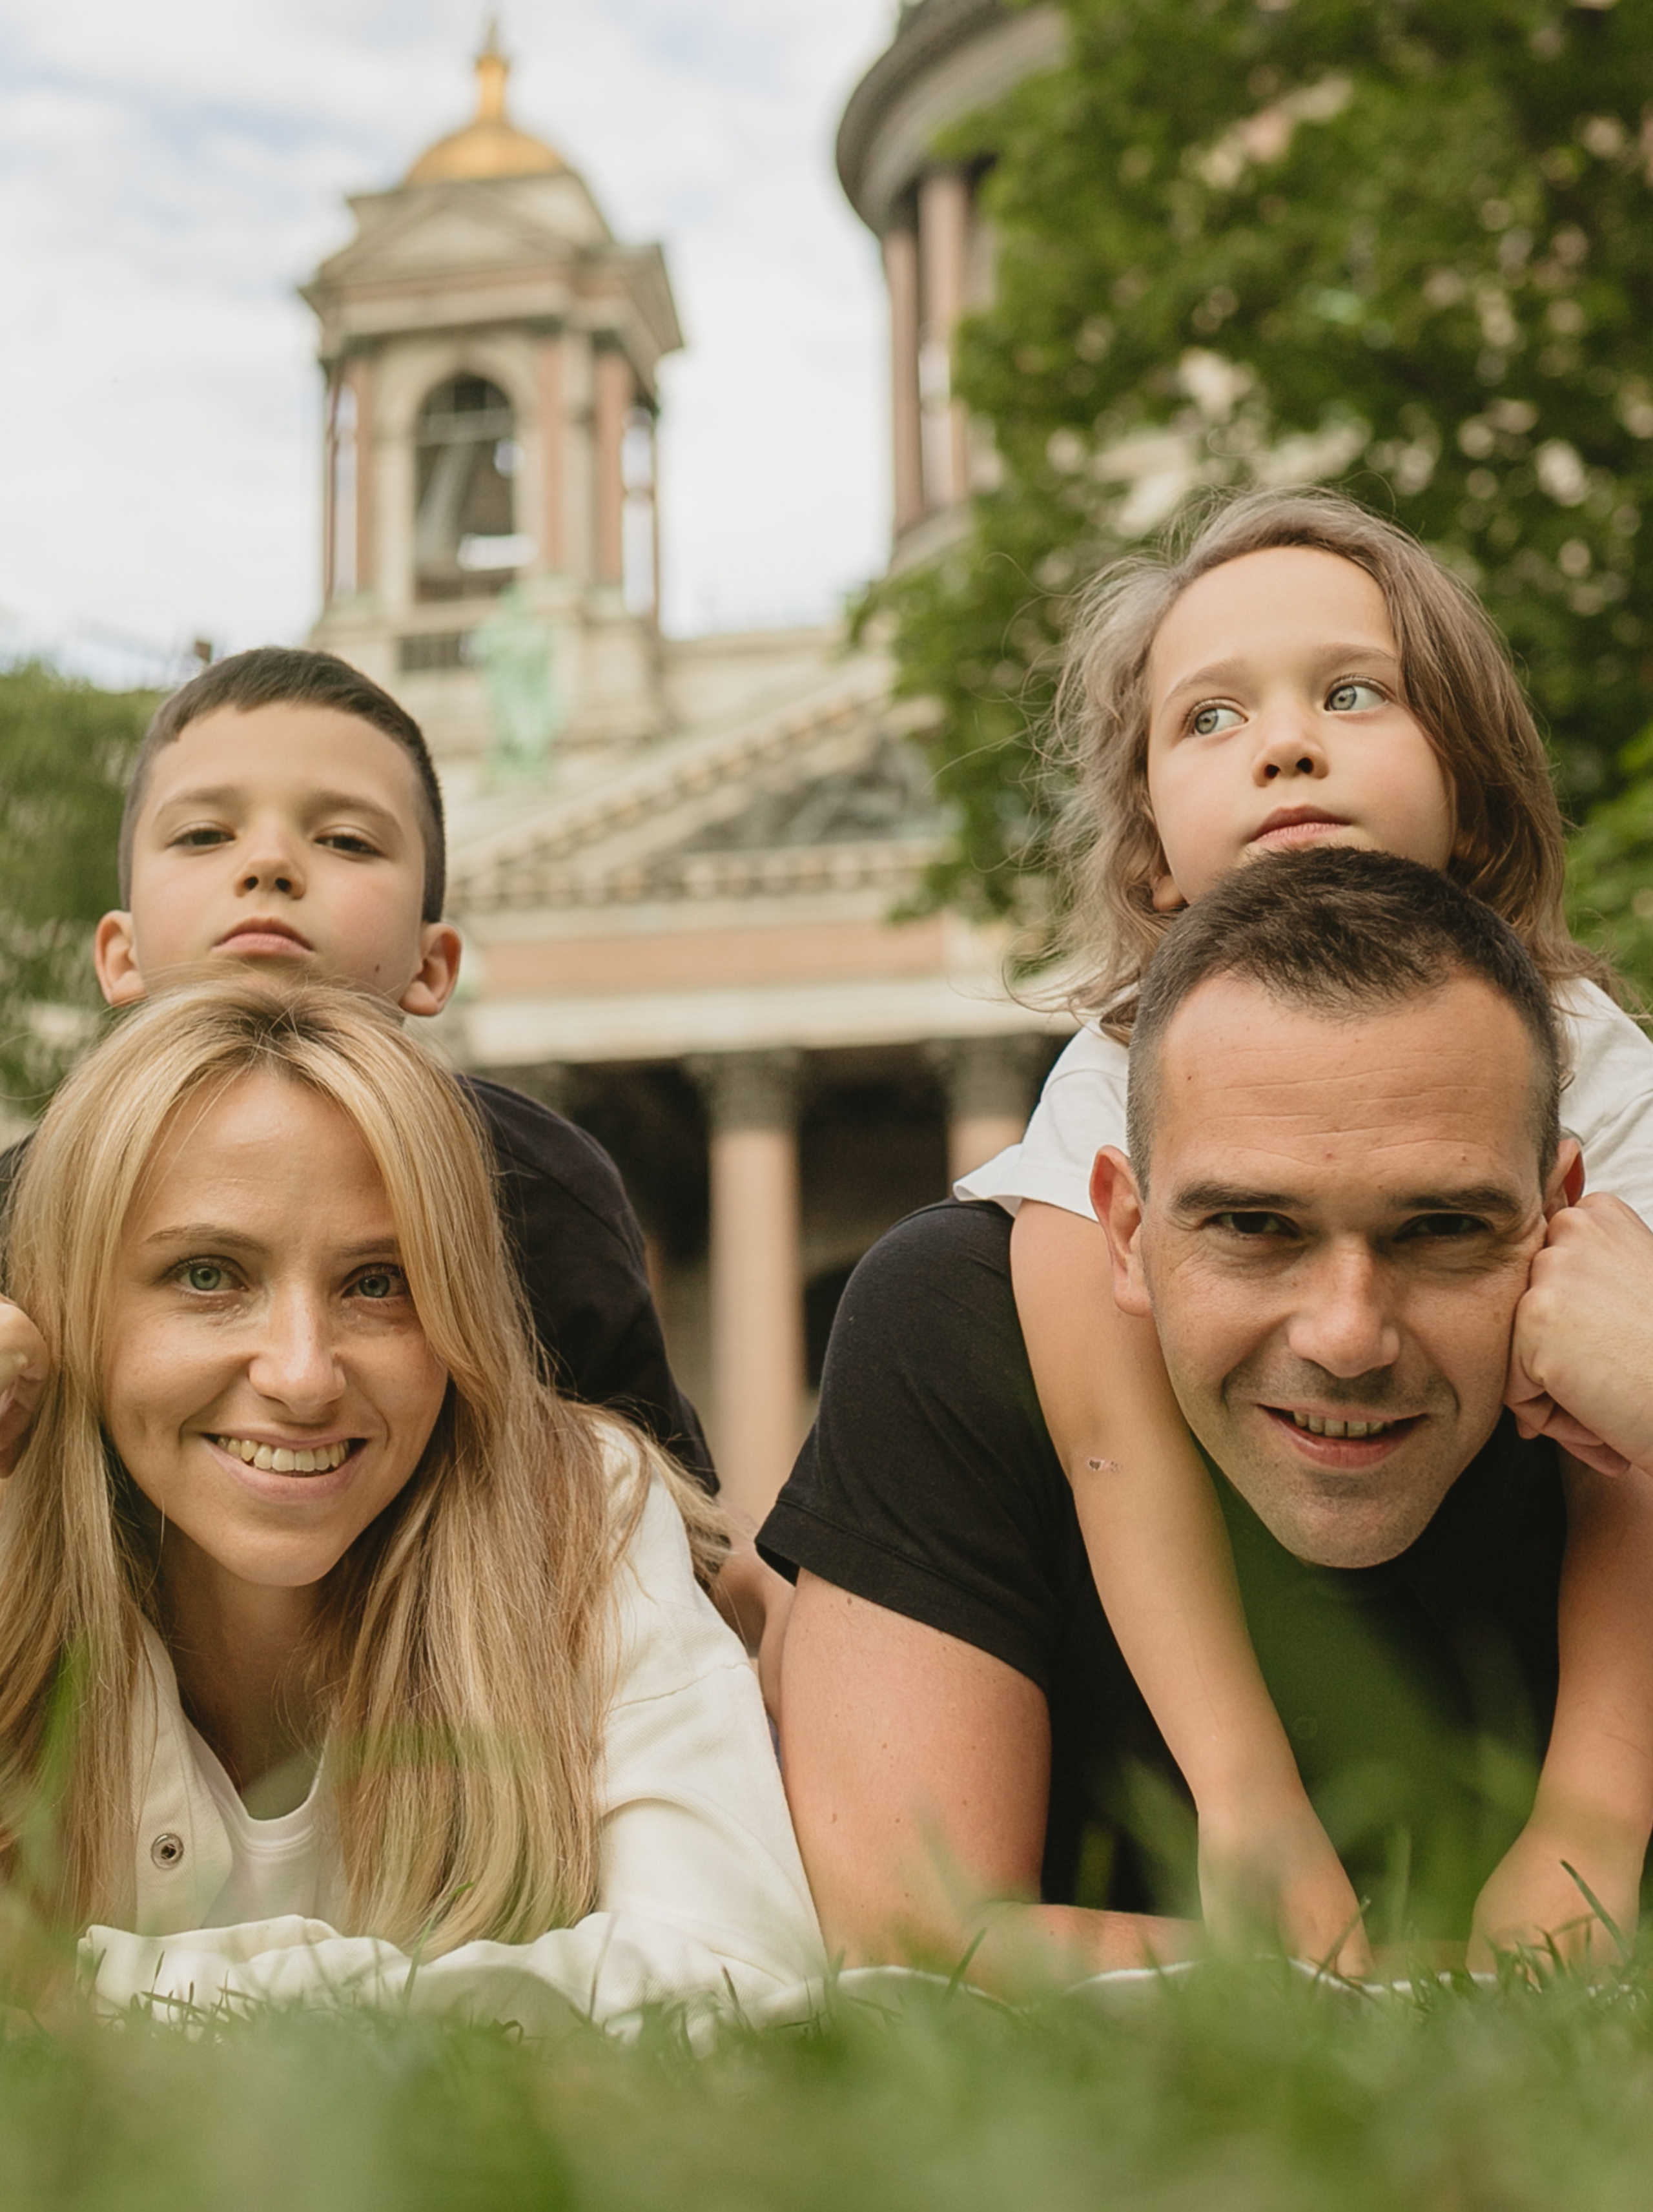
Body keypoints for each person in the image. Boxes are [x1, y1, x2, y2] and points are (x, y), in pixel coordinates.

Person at [941, 488, 1653, 1969]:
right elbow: (1107, 1427)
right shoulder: (1123, 1065)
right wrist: (1244, 1802)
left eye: (1351, 692)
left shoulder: (1585, 1050)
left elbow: (1625, 1477)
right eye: (1208, 719)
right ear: (1148, 861)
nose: (1284, 742)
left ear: (1473, 791)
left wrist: (1587, 1819)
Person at [765, 851, 1653, 1984]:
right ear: (1124, 1230)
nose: (1347, 1335)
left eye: (1439, 1228)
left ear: (1564, 1209)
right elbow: (910, 1918)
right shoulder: (957, 1322)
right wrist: (1459, 1986)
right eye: (1251, 1225)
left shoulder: (1632, 1342)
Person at [0, 977, 821, 2026]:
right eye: (209, 1275)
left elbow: (737, 1974)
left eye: (379, 1282)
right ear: (71, 1302)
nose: (303, 1376)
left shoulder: (577, 1511)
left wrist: (102, 1990)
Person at [0, 647, 788, 1679]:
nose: (270, 865)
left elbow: (668, 1525)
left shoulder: (537, 1188)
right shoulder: (30, 1197)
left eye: (343, 839)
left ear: (434, 964)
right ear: (120, 955)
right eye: (204, 834)